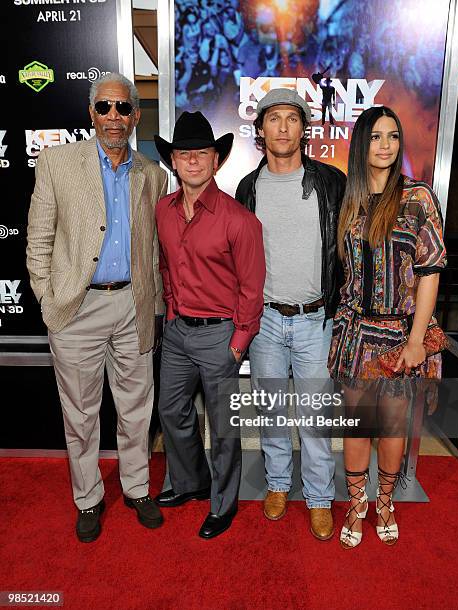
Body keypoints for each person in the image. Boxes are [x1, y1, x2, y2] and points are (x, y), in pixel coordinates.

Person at [26, 73, 168, 543]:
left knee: (135, 408)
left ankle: (137, 488)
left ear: (135, 117)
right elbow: (39, 238)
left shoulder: (153, 174)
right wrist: (48, 296)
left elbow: (153, 248)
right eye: (104, 107)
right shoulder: (57, 163)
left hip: (132, 304)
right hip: (77, 308)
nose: (113, 117)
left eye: (123, 108)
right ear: (91, 113)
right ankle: (87, 499)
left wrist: (152, 304)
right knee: (81, 414)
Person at [328, 106, 447, 548]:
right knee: (358, 427)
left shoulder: (418, 198)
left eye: (393, 137)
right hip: (356, 337)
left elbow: (431, 270)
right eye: (376, 136)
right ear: (362, 143)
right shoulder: (349, 200)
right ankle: (357, 504)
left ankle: (385, 502)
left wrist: (417, 340)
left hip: (400, 336)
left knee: (393, 428)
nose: (385, 145)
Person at [235, 88, 346, 540]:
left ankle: (319, 496)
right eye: (274, 118)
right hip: (265, 321)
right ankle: (279, 483)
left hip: (316, 320)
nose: (283, 127)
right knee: (272, 411)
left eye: (292, 118)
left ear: (304, 128)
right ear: (260, 130)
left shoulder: (331, 182)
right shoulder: (247, 188)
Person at [154, 111, 265, 539]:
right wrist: (170, 310)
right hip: (178, 331)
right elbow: (165, 266)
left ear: (215, 160)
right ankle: (190, 484)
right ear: (174, 161)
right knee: (171, 412)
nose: (193, 161)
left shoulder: (239, 220)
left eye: (202, 153)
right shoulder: (163, 211)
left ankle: (223, 503)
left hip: (221, 335)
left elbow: (251, 290)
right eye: (185, 154)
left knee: (223, 427)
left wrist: (237, 346)